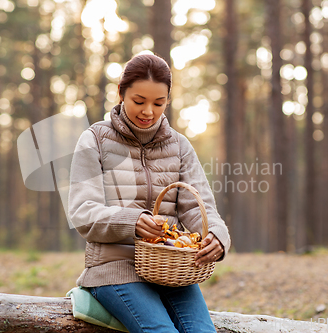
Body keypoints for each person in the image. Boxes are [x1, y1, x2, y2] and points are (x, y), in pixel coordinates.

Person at [68, 53, 231, 333]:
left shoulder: (179, 146)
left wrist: (217, 235)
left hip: (171, 271)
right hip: (113, 269)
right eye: (139, 101)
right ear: (121, 93)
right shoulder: (95, 139)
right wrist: (131, 222)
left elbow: (197, 206)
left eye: (159, 103)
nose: (148, 112)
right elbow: (83, 212)